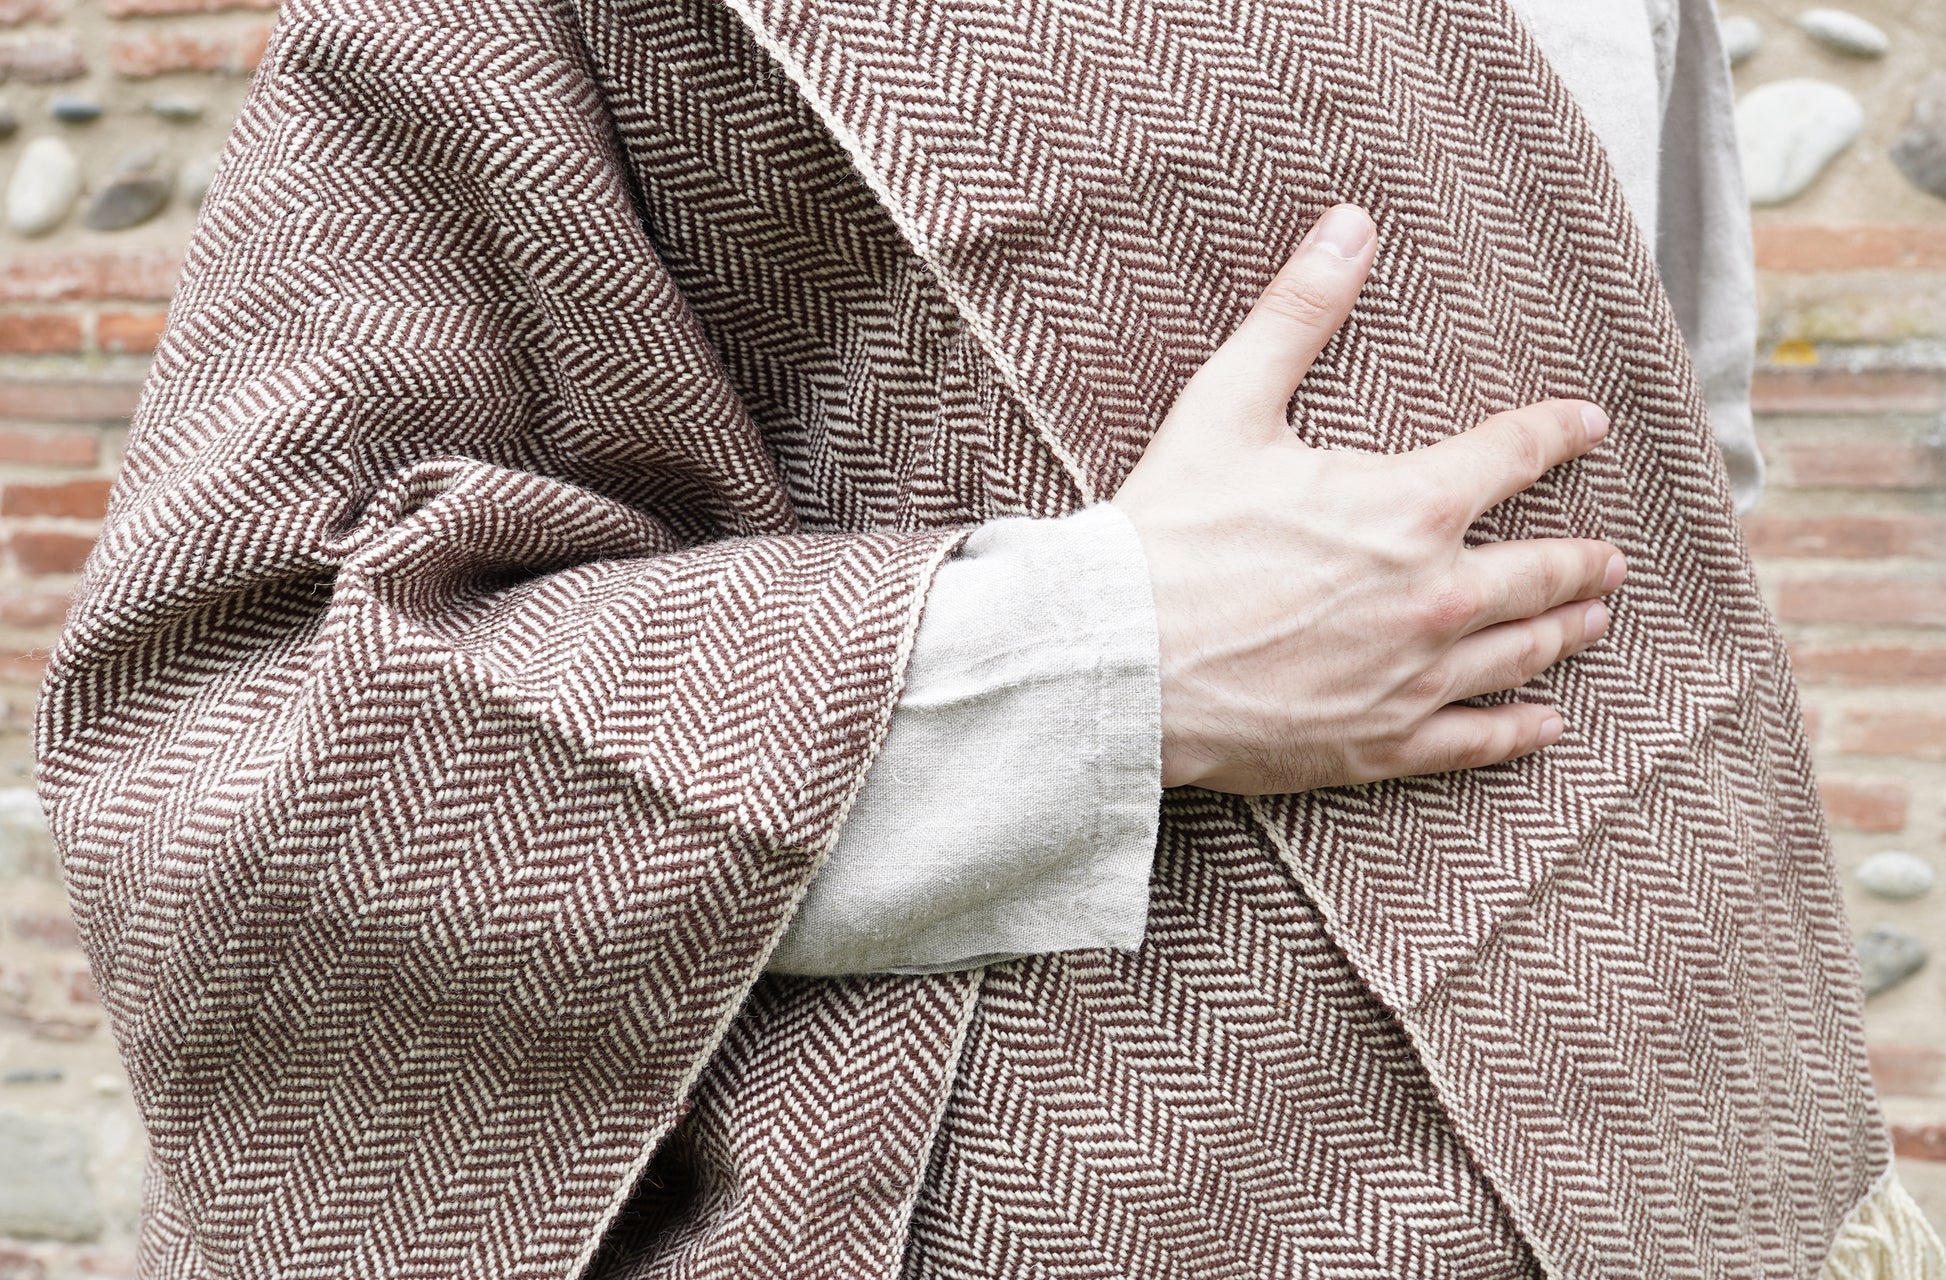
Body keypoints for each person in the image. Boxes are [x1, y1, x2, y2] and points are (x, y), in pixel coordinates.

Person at [31, 0, 1942, 1277]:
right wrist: (1105, 656)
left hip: (1721, 1132)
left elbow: (1675, 451)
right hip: (1096, 1201)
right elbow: (221, 740)